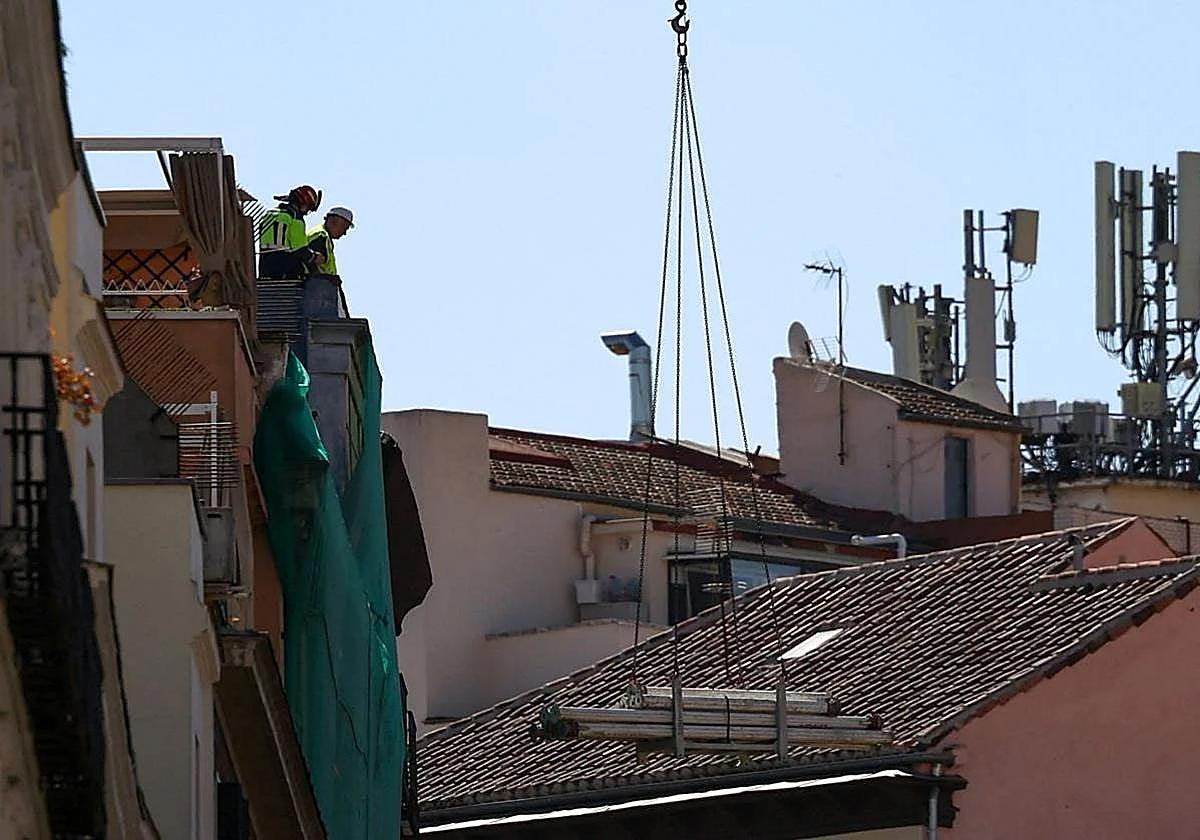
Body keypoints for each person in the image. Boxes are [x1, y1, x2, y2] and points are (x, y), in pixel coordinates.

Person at [258, 185, 322, 279]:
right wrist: (315, 256)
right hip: (285, 269)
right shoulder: (295, 218)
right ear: (302, 202)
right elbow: (300, 249)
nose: (306, 212)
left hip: (264, 266)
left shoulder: (268, 215)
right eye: (307, 208)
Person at [307, 206, 354, 277]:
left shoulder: (325, 238)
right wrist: (325, 280)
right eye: (344, 228)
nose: (344, 233)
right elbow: (310, 263)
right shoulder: (321, 236)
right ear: (333, 221)